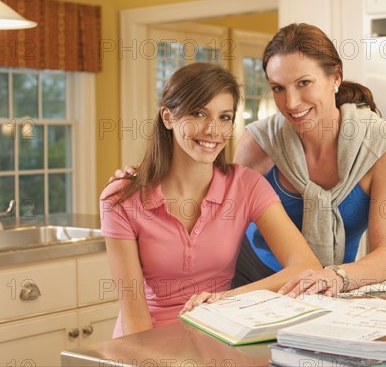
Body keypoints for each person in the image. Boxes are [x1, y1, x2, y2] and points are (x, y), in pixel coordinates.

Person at [100, 62, 322, 338]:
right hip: (146, 341)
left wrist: (230, 298)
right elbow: (134, 316)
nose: (213, 130)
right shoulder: (122, 198)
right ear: (168, 118)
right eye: (198, 113)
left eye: (224, 117)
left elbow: (307, 266)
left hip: (218, 334)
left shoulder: (246, 185)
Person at [231, 23, 386, 296]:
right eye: (278, 88)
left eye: (304, 83)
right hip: (254, 279)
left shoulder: (380, 145)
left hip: (338, 281)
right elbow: (216, 217)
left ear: (335, 77)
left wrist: (334, 277)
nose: (290, 103)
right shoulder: (259, 143)